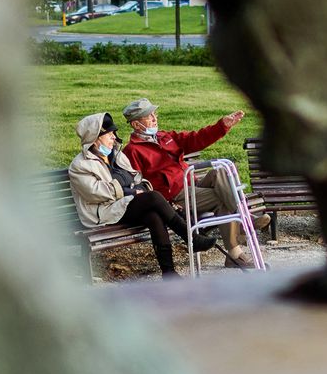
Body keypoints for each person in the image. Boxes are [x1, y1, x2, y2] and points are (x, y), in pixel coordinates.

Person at [121, 98, 269, 269]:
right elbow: (138, 185)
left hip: (192, 184)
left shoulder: (164, 136)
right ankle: (238, 244)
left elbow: (196, 139)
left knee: (220, 171)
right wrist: (167, 205)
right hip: (177, 197)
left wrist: (222, 126)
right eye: (149, 116)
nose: (155, 117)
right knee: (221, 197)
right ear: (136, 124)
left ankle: (243, 220)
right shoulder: (132, 151)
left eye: (154, 113)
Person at [68, 111, 216, 277]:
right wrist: (130, 191)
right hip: (103, 212)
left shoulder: (116, 155)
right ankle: (192, 239)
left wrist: (138, 189)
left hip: (124, 205)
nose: (114, 138)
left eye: (113, 134)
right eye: (109, 134)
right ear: (95, 138)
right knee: (152, 197)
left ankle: (169, 273)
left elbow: (136, 177)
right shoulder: (80, 165)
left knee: (153, 215)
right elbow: (95, 193)